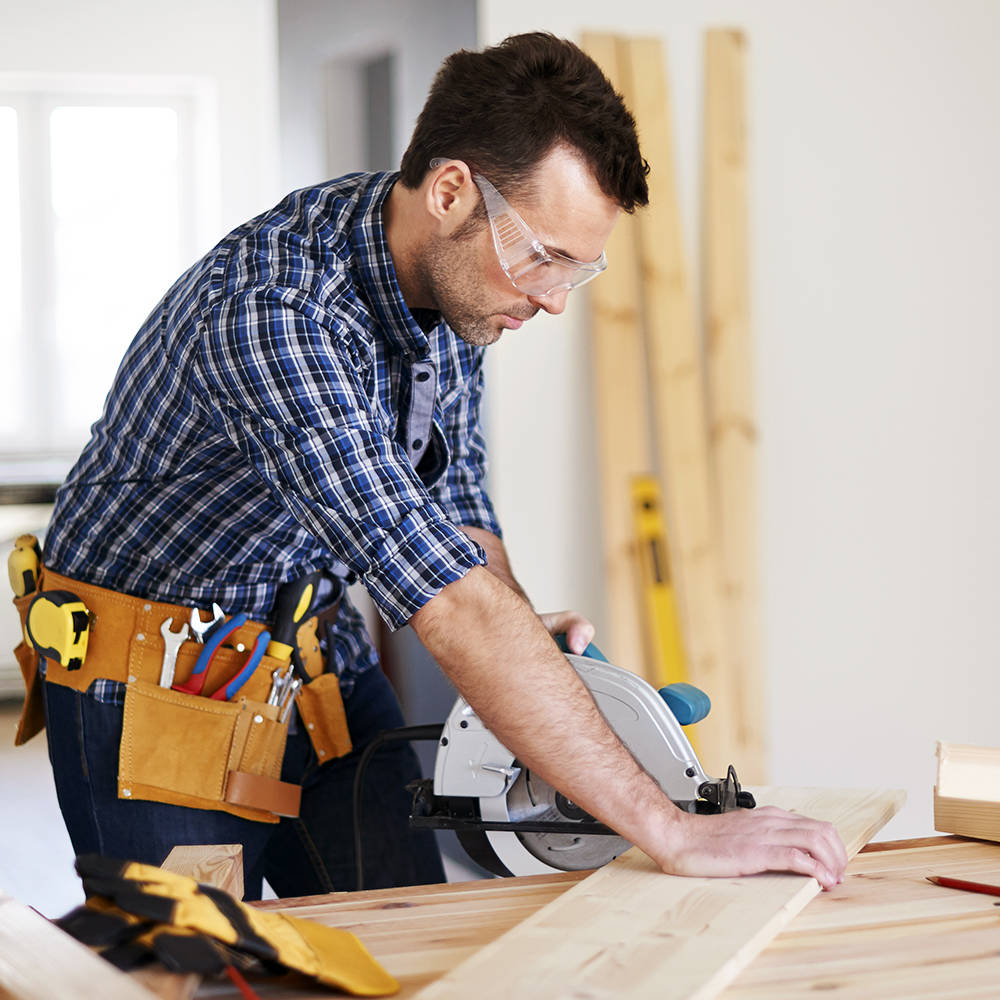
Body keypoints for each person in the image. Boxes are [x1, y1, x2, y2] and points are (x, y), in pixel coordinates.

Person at [35, 32, 846, 899]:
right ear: (453, 190)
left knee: (406, 944)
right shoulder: (273, 313)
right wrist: (671, 831)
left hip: (310, 652)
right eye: (545, 255)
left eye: (581, 267)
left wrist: (544, 658)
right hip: (157, 684)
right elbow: (448, 600)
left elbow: (459, 523)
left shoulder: (452, 292)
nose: (554, 298)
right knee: (194, 970)